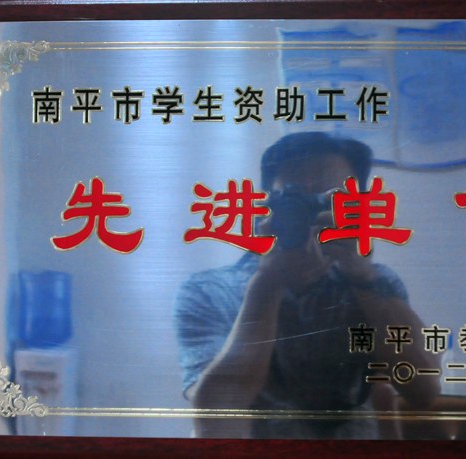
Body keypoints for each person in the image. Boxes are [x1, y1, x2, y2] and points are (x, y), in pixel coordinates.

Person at [175, 132, 439, 439]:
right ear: (267, 207)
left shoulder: (376, 282)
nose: (313, 215)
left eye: (330, 201)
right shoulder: (210, 290)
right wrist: (268, 285)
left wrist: (363, 279)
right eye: (295, 200)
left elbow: (424, 389)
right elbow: (217, 412)